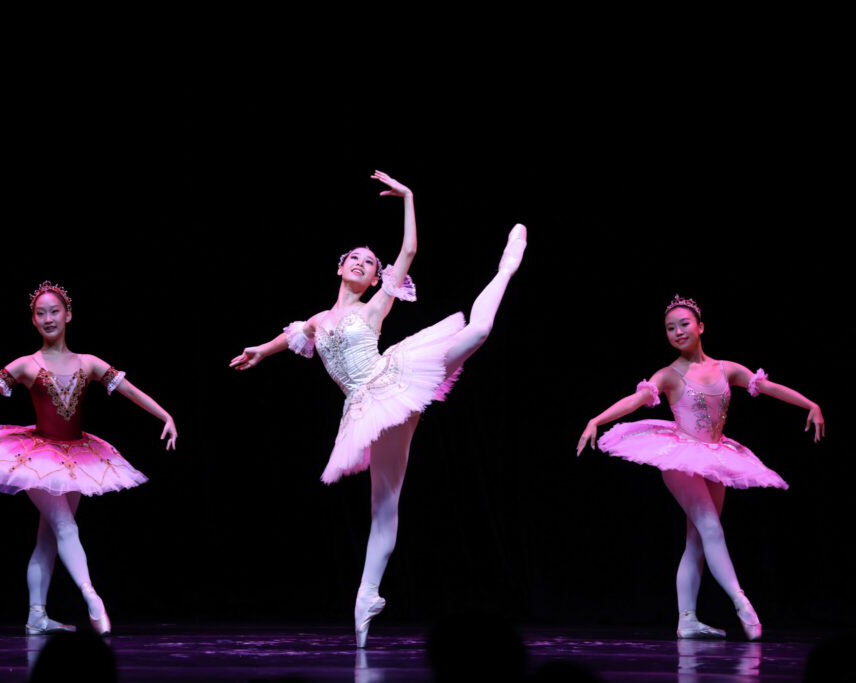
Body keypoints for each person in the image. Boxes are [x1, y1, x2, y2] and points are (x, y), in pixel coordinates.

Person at [230, 170, 528, 647]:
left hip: (395, 378)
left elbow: (408, 251)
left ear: (376, 279)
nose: (363, 263)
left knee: (478, 331)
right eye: (356, 257)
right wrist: (262, 351)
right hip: (366, 408)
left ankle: (506, 269)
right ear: (340, 268)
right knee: (384, 508)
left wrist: (408, 196)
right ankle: (366, 599)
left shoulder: (373, 308)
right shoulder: (318, 319)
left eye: (370, 263)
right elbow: (294, 337)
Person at [576, 295, 825, 641]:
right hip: (680, 458)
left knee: (697, 540)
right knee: (709, 526)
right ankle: (740, 601)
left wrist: (810, 404)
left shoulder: (727, 369)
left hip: (715, 457)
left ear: (701, 327)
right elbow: (635, 400)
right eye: (670, 328)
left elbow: (767, 387)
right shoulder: (669, 374)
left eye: (684, 324)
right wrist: (596, 419)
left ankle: (687, 620)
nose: (678, 332)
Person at [0, 281, 177, 635]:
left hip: (77, 457)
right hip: (36, 458)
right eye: (41, 313)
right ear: (33, 320)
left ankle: (36, 615)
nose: (48, 318)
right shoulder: (26, 365)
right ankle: (91, 596)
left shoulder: (88, 363)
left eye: (54, 311)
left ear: (68, 315)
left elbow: (130, 390)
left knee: (49, 538)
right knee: (65, 526)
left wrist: (165, 416)